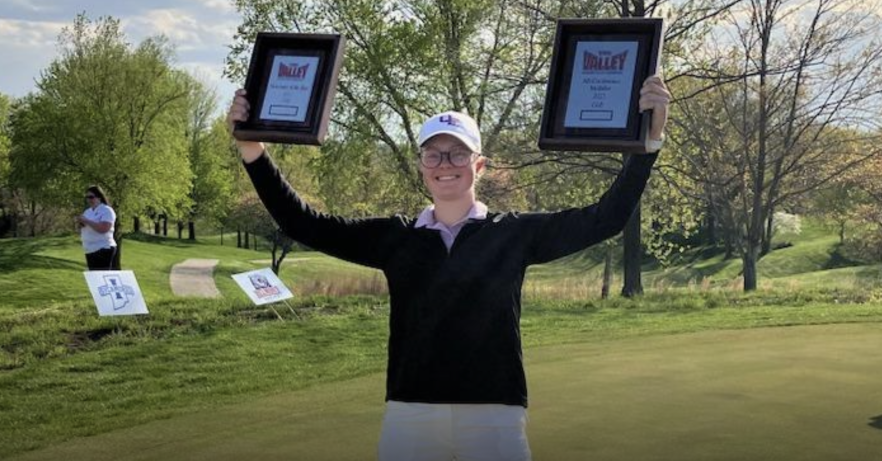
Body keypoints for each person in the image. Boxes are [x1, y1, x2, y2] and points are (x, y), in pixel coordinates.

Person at [227, 75, 670, 461]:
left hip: (496, 413)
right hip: (411, 412)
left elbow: (606, 218)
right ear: (421, 166)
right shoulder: (395, 238)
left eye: (458, 155)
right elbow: (303, 223)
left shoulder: (513, 234)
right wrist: (253, 150)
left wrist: (648, 144)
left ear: (478, 165)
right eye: (433, 155)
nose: (446, 165)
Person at [76, 185, 118, 270]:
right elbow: (82, 228)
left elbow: (103, 229)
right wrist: (80, 223)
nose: (89, 200)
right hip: (90, 249)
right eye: (87, 197)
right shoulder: (87, 212)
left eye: (91, 197)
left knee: (101, 278)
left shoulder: (106, 210)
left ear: (99, 197)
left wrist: (87, 221)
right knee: (94, 279)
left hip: (103, 248)